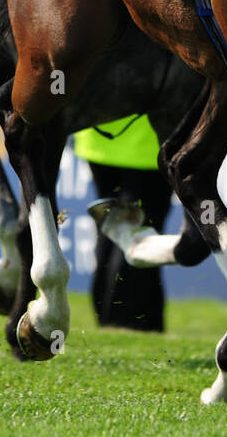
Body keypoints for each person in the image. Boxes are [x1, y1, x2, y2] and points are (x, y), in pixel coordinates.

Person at [71, 116, 173, 332]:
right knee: (140, 233)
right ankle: (128, 324)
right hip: (147, 143)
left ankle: (114, 321)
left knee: (112, 230)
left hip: (96, 137)